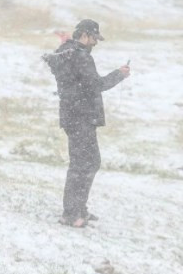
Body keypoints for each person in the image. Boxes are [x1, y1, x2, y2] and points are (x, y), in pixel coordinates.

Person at [43, 19, 130, 228]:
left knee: (82, 164)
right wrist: (120, 74)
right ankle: (73, 213)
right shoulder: (81, 57)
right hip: (82, 116)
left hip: (72, 115)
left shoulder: (66, 53)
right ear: (84, 35)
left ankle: (76, 210)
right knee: (86, 164)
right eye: (94, 38)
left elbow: (71, 73)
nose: (96, 43)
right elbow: (96, 85)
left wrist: (65, 40)